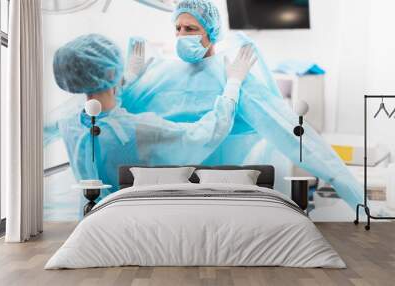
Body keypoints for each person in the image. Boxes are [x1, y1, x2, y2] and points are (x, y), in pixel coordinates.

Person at [121, 0, 364, 210]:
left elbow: (285, 128)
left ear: (211, 32)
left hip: (222, 191)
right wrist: (129, 81)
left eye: (191, 28)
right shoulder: (161, 72)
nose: (182, 35)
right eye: (178, 28)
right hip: (165, 190)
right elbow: (118, 120)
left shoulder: (231, 74)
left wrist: (348, 188)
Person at [44, 33, 256, 197]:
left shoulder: (67, 122)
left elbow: (93, 105)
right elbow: (205, 133)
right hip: (129, 217)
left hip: (90, 216)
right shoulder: (137, 129)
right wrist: (233, 83)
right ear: (111, 73)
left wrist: (127, 78)